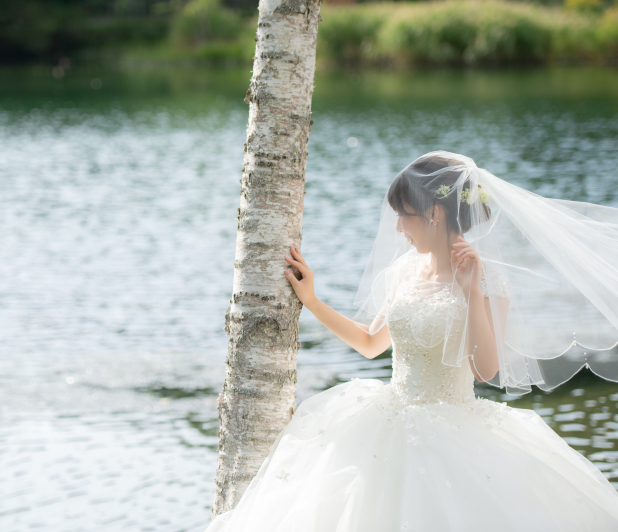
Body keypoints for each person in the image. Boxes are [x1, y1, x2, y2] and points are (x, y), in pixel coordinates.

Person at [204, 151, 618, 531]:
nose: (399, 228)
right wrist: (311, 301)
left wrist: (472, 293)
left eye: (404, 216)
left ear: (434, 213)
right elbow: (371, 343)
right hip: (386, 417)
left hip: (454, 432)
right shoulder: (406, 271)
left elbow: (486, 370)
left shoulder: (489, 280)